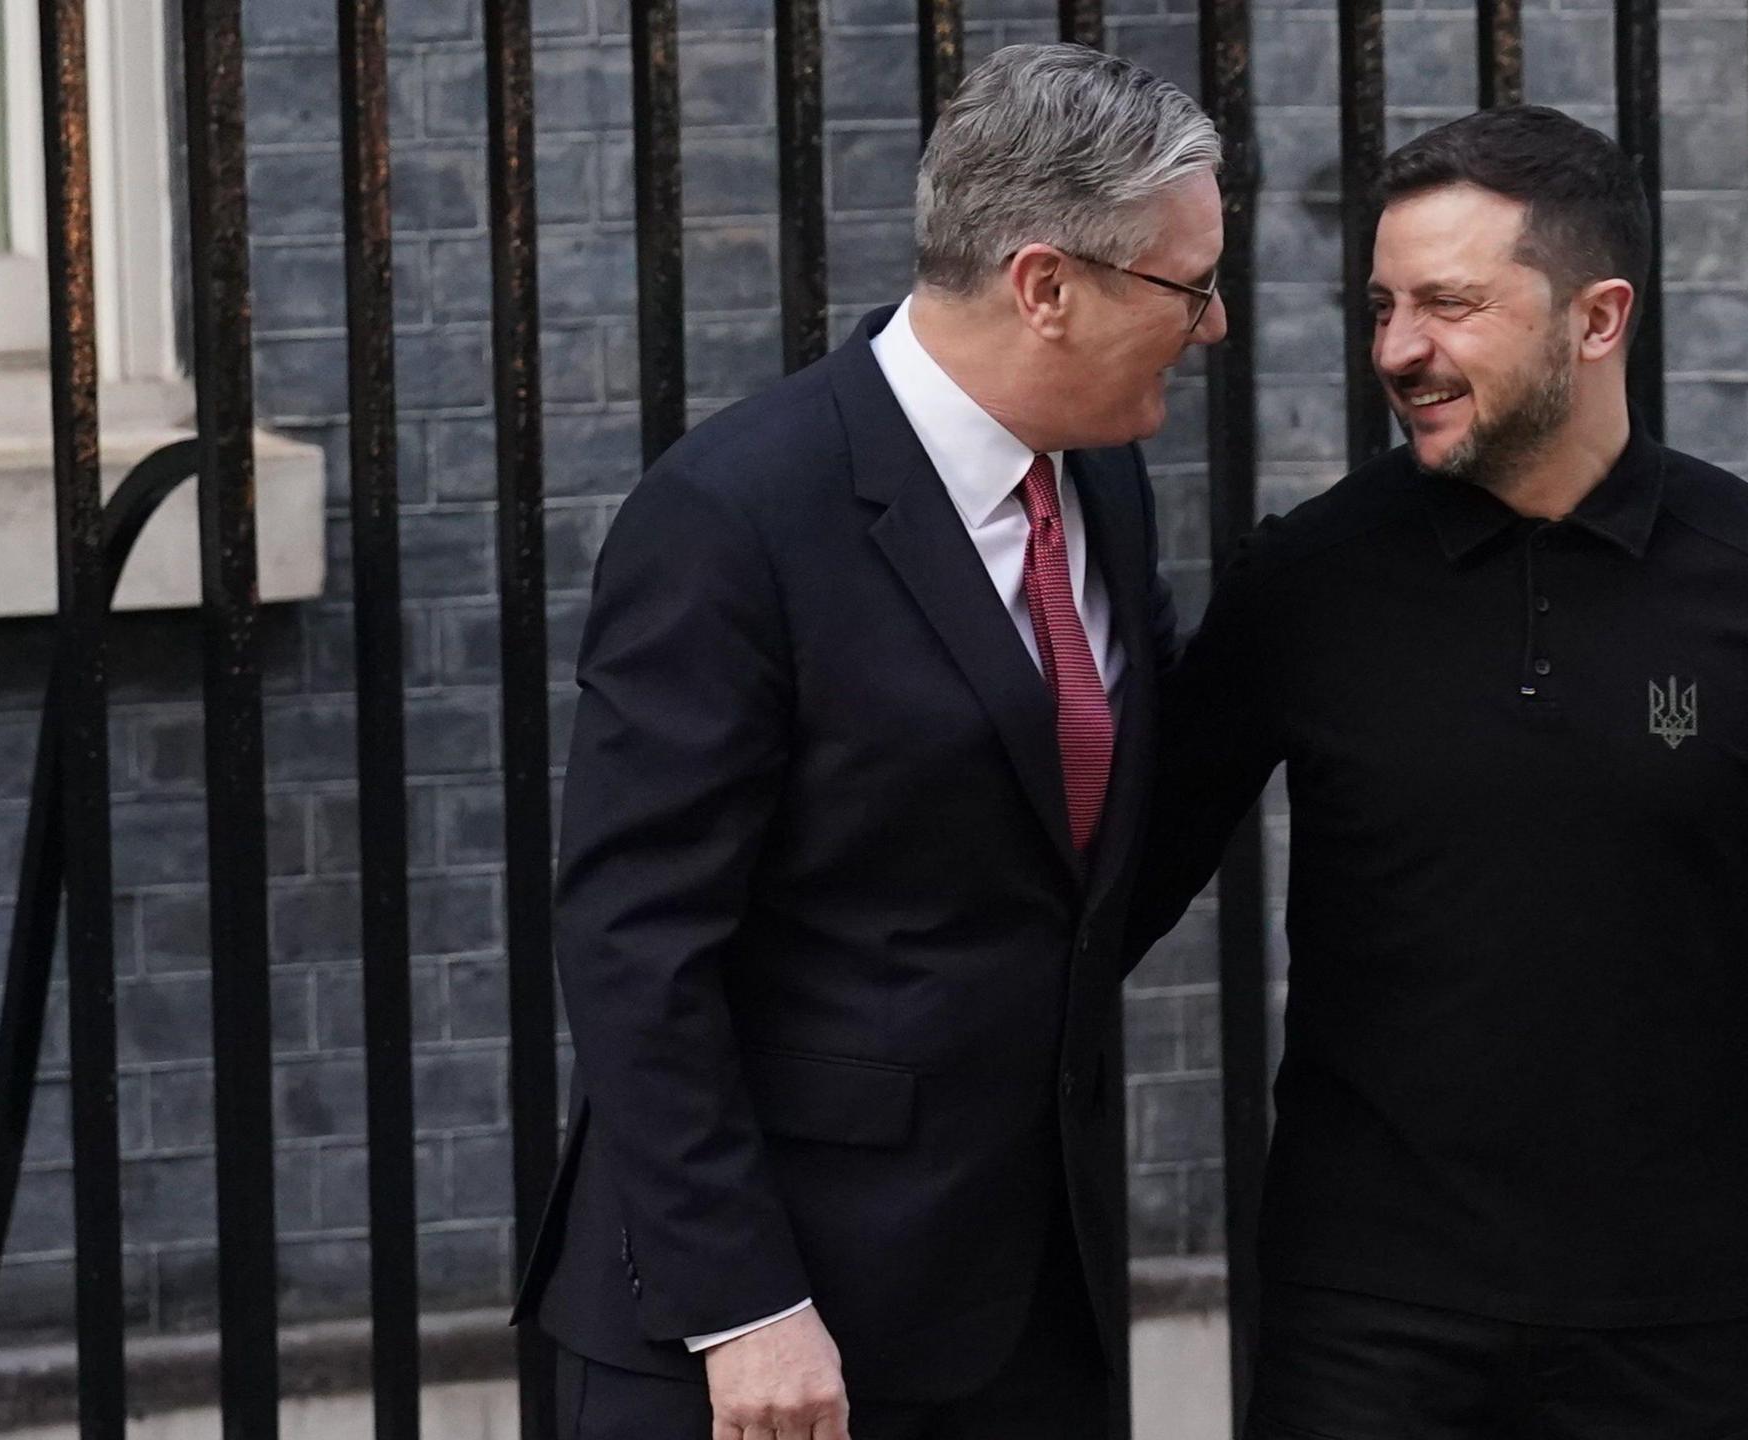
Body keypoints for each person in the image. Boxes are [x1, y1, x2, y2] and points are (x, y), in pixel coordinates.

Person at [1131, 105, 1748, 1440]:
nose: (1401, 349)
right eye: (1385, 305)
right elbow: (1127, 880)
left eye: (1451, 305)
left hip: (1671, 1322)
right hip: (1363, 1324)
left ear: (1598, 315)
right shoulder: (1309, 580)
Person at [513, 43, 1227, 1440]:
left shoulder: (1105, 485)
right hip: (770, 1344)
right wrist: (745, 1306)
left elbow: (1076, 866)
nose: (1212, 327)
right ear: (1045, 285)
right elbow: (634, 942)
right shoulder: (735, 516)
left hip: (1024, 1309)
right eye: (1189, 288)